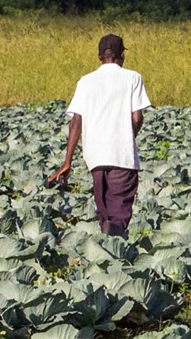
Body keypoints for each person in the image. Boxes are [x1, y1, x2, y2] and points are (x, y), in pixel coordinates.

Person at [48, 33, 151, 236]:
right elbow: (137, 118)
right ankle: (115, 250)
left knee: (104, 212)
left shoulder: (85, 82)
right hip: (121, 157)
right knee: (118, 215)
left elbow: (76, 121)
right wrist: (128, 138)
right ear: (122, 55)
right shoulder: (132, 77)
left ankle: (106, 253)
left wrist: (67, 162)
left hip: (95, 157)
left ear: (99, 57)